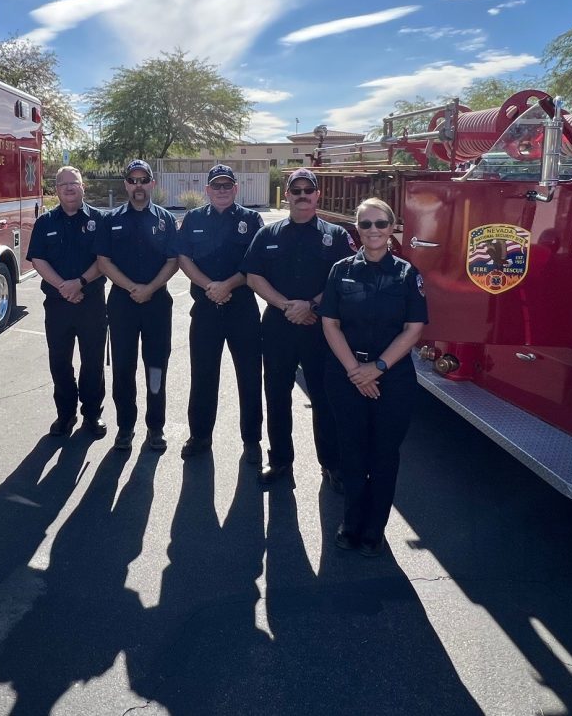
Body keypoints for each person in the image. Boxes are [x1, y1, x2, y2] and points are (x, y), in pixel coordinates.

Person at [319, 197, 427, 557]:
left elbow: (414, 329)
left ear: (392, 227)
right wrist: (355, 370)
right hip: (347, 375)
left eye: (381, 224)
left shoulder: (407, 274)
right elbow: (330, 324)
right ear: (357, 229)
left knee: (383, 455)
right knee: (351, 451)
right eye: (366, 225)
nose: (374, 231)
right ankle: (350, 523)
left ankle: (374, 528)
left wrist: (377, 368)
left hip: (392, 378)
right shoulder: (340, 270)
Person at [242, 167, 353, 486]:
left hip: (322, 328)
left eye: (308, 190)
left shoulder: (337, 236)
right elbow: (253, 276)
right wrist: (286, 305)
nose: (302, 195)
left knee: (325, 397)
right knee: (277, 395)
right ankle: (279, 461)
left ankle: (332, 464)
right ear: (287, 194)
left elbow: (344, 278)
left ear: (318, 195)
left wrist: (311, 305)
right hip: (279, 326)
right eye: (296, 190)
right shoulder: (268, 235)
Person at [175, 164, 265, 465]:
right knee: (203, 376)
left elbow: (255, 262)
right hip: (205, 310)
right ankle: (199, 436)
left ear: (236, 189)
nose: (222, 190)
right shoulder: (194, 218)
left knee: (250, 377)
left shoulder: (251, 219)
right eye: (217, 186)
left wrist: (227, 285)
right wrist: (209, 286)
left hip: (242, 310)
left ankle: (252, 440)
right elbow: (183, 258)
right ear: (207, 190)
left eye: (228, 185)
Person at [96, 159, 179, 451]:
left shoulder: (165, 220)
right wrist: (132, 288)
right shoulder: (111, 219)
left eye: (144, 180)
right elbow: (103, 261)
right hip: (122, 303)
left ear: (152, 183)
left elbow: (173, 261)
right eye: (133, 180)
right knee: (123, 367)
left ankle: (155, 428)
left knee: (156, 366)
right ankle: (125, 427)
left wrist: (150, 288)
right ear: (126, 185)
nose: (139, 185)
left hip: (157, 303)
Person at [25, 166, 108, 438]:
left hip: (91, 303)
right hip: (58, 304)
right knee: (60, 362)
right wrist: (64, 287)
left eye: (74, 183)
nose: (69, 188)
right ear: (56, 189)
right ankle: (65, 414)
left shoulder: (99, 220)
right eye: (63, 184)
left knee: (92, 362)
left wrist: (79, 283)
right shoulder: (45, 222)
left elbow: (104, 261)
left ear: (83, 187)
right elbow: (38, 259)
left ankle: (92, 416)